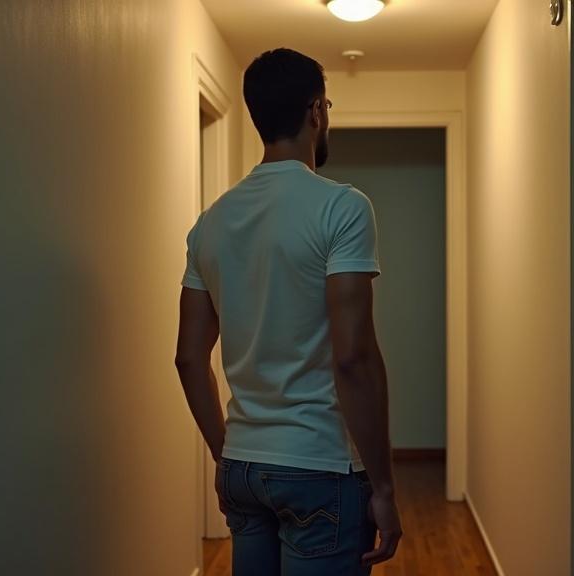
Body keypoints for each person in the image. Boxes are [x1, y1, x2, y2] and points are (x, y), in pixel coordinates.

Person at [175, 47, 402, 576]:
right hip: (319, 465)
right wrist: (385, 488)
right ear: (316, 111)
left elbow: (188, 358)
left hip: (243, 465)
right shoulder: (342, 207)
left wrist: (227, 454)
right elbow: (353, 357)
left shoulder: (210, 224)